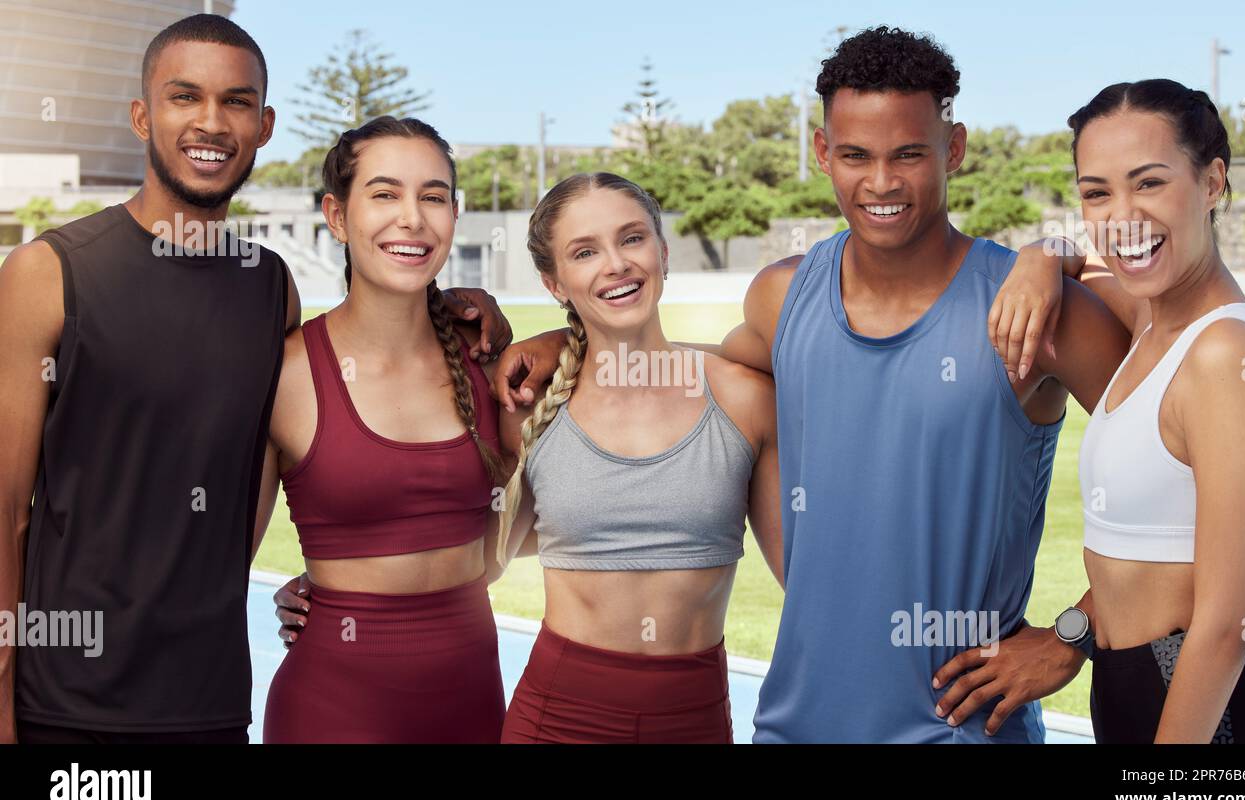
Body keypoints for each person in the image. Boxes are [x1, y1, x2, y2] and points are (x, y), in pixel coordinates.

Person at [493, 26, 1134, 742]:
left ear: (953, 148)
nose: (882, 182)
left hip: (958, 726)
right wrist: (573, 341)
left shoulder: (1037, 312)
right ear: (824, 153)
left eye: (910, 154)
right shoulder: (782, 298)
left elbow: (1178, 481)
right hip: (794, 725)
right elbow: (701, 361)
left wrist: (1072, 636)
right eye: (856, 155)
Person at [0, 15, 506, 744]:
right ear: (142, 114)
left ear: (264, 125)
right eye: (184, 97)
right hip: (68, 706)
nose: (211, 121)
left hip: (210, 703)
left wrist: (330, 584)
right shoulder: (47, 274)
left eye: (236, 102)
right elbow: (7, 508)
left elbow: (281, 467)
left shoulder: (268, 289)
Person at [492, 172, 781, 743]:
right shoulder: (529, 407)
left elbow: (809, 578)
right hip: (553, 721)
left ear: (663, 252)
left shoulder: (746, 399)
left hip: (694, 721)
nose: (616, 264)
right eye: (584, 252)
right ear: (554, 283)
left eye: (631, 239)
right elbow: (481, 557)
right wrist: (328, 587)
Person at [258, 116, 513, 743]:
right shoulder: (284, 372)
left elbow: (526, 525)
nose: (412, 218)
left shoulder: (488, 361)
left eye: (432, 197)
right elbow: (213, 555)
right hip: (332, 713)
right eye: (384, 193)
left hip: (475, 707)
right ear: (337, 216)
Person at [1066, 79, 1245, 743]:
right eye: (1096, 192)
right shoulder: (1154, 319)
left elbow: (1226, 626)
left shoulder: (1224, 353)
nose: (1122, 216)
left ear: (1212, 181)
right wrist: (1041, 257)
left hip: (1203, 716)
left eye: (1149, 183)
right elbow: (1080, 268)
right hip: (1129, 693)